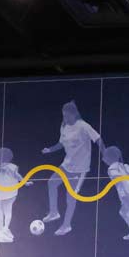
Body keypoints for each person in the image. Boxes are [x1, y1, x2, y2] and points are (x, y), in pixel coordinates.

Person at [41, 100, 102, 236]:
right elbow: (61, 143)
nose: (65, 118)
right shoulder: (64, 126)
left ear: (74, 114)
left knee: (71, 197)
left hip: (79, 170)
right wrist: (49, 150)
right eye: (63, 116)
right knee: (51, 183)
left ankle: (66, 225)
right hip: (66, 165)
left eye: (67, 116)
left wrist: (105, 155)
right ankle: (54, 212)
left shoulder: (83, 126)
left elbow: (98, 139)